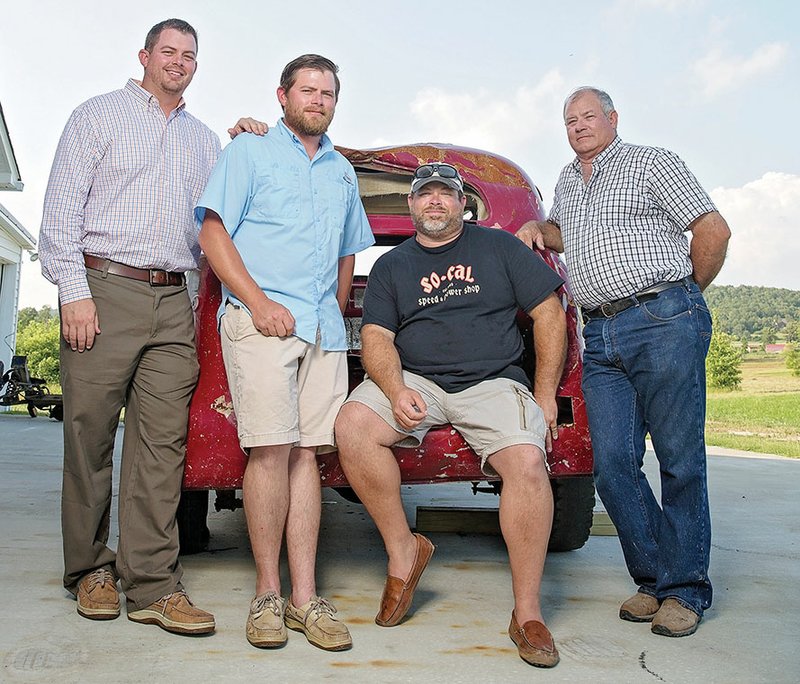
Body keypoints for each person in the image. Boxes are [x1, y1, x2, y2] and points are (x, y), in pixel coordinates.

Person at [39, 18, 265, 636]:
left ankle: (152, 585)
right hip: (104, 290)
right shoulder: (97, 116)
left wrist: (247, 142)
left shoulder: (203, 142)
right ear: (144, 56)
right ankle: (89, 570)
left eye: (189, 54)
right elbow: (59, 212)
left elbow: (228, 216)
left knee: (161, 448)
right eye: (168, 51)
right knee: (89, 438)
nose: (179, 61)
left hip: (175, 302)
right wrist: (74, 294)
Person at [517, 86, 731, 638]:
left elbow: (712, 228)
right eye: (570, 119)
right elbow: (572, 236)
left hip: (661, 316)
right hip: (600, 332)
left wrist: (685, 300)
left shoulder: (650, 162)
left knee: (680, 460)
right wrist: (544, 230)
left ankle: (684, 589)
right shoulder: (568, 178)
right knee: (611, 464)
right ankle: (655, 577)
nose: (579, 125)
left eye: (589, 116)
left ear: (612, 118)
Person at [334, 163, 567, 668]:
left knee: (527, 464)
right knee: (352, 425)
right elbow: (377, 336)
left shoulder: (499, 247)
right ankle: (404, 550)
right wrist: (394, 389)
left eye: (446, 193)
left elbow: (549, 310)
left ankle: (527, 613)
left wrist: (545, 393)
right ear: (411, 206)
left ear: (464, 204)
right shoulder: (394, 266)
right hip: (418, 380)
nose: (435, 201)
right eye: (425, 195)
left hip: (492, 381)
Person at [196, 54, 374, 652]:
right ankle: (267, 594)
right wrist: (256, 302)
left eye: (328, 93)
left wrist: (336, 307)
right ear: (282, 96)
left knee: (308, 456)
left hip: (320, 329)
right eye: (308, 90)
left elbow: (350, 248)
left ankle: (305, 598)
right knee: (270, 451)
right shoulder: (249, 152)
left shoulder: (342, 171)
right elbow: (213, 231)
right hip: (262, 323)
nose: (318, 100)